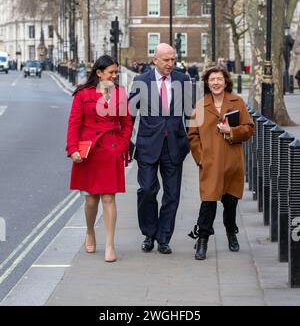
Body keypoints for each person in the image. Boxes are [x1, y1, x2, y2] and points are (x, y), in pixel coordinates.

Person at [66, 55, 133, 262]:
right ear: (99, 73)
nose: (115, 76)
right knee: (91, 199)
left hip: (110, 150)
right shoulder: (83, 94)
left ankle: (110, 245)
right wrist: (73, 149)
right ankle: (89, 231)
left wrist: (121, 147)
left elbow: (127, 123)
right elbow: (74, 124)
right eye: (111, 72)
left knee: (108, 198)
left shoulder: (120, 94)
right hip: (89, 152)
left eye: (116, 72)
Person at [129, 43, 192, 255]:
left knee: (172, 195)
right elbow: (130, 114)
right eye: (166, 60)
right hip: (147, 145)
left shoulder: (183, 80)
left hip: (174, 146)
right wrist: (126, 144)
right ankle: (149, 233)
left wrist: (191, 142)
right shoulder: (141, 81)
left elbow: (190, 115)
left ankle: (164, 238)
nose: (170, 64)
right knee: (147, 191)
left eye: (173, 59)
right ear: (155, 60)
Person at [188, 66, 254, 260]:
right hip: (210, 165)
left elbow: (249, 128)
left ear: (226, 82)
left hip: (232, 164)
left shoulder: (237, 102)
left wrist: (231, 132)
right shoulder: (200, 106)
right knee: (208, 203)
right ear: (207, 83)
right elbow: (192, 136)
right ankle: (202, 240)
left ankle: (231, 231)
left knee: (230, 202)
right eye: (212, 79)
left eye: (219, 79)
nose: (216, 82)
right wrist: (201, 158)